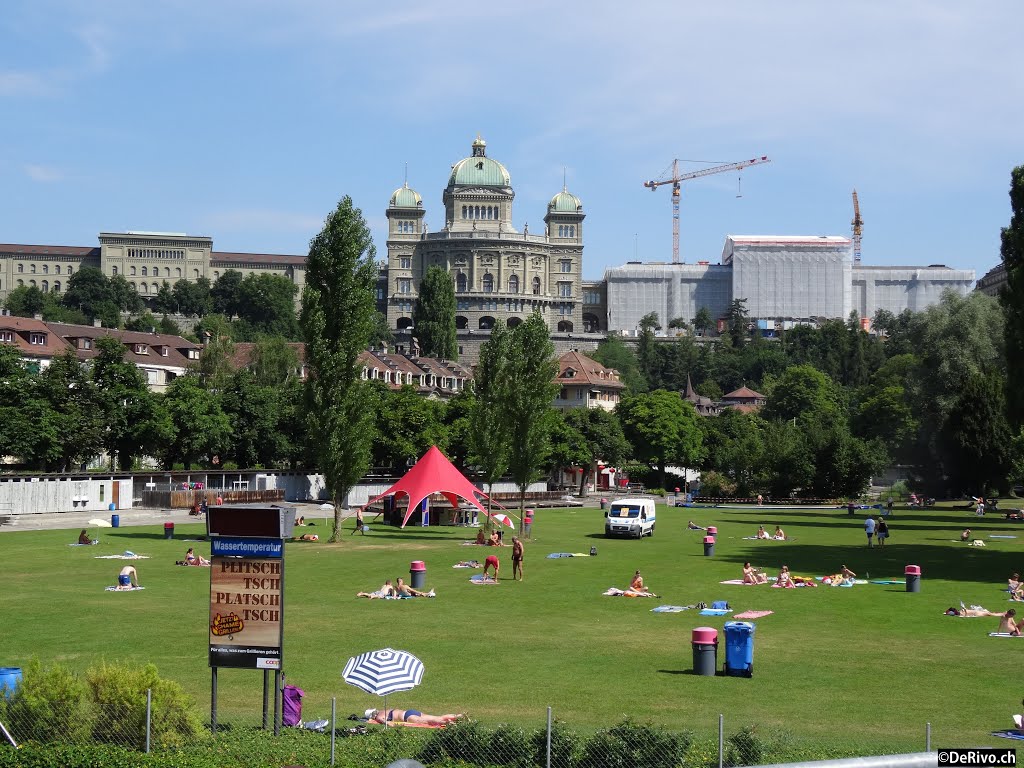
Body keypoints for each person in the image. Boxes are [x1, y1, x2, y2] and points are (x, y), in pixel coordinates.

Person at [366, 708, 462, 726]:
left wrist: (388, 723)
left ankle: (450, 724)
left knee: (433, 721)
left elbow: (382, 720)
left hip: (407, 717)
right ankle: (459, 716)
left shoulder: (379, 716)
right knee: (438, 717)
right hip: (410, 712)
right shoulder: (385, 709)